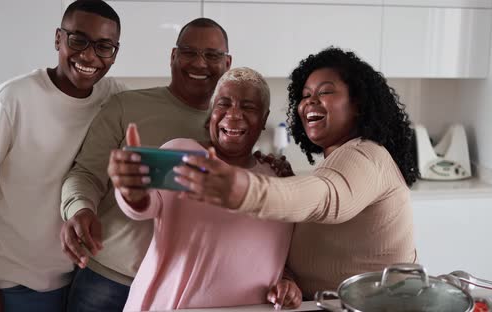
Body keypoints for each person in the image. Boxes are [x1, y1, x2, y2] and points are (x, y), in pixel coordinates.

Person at [174, 47, 420, 299]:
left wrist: (244, 188)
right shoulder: (336, 162)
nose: (310, 101)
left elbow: (327, 197)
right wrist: (288, 279)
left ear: (357, 104)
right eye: (305, 95)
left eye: (325, 92)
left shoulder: (366, 155)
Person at [59, 18, 233, 311]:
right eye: (189, 52)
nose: (199, 63)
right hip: (108, 280)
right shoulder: (125, 106)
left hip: (180, 289)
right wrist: (80, 209)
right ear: (173, 56)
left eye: (212, 55)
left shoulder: (230, 127)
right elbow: (86, 174)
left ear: (227, 62)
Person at [0, 1, 123, 311]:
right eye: (78, 40)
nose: (89, 56)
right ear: (58, 39)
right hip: (17, 286)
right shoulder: (10, 100)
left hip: (85, 281)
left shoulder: (113, 97)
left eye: (104, 46)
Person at [108, 67, 302, 311]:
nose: (233, 115)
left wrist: (287, 282)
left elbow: (271, 254)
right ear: (212, 113)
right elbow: (144, 205)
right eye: (224, 104)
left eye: (248, 107)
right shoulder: (184, 153)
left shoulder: (277, 180)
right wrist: (131, 190)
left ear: (264, 119)